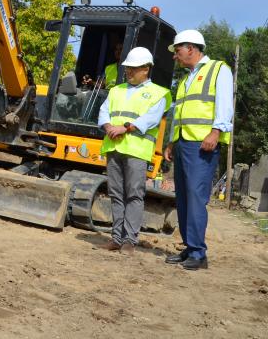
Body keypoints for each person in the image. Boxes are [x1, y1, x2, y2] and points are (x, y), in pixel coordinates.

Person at [162, 29, 233, 271]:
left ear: (191, 48)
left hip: (202, 144)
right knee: (182, 196)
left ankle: (198, 253)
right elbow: (178, 114)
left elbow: (224, 104)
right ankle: (190, 247)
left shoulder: (218, 69)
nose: (175, 56)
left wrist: (216, 131)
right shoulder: (184, 80)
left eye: (177, 50)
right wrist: (171, 142)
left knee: (195, 196)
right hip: (183, 143)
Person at [97, 47, 171, 254]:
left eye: (134, 68)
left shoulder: (158, 93)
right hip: (113, 147)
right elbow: (103, 112)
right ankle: (116, 238)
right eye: (128, 68)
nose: (129, 72)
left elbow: (150, 119)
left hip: (137, 151)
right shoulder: (116, 90)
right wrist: (108, 126)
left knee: (134, 195)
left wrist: (124, 128)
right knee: (116, 194)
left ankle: (130, 240)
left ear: (146, 69)